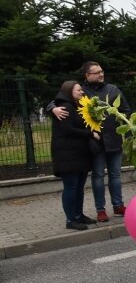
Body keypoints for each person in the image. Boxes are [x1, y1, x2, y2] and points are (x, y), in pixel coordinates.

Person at [50, 62, 130, 222]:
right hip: (95, 143)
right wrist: (51, 108)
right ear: (87, 75)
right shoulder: (81, 91)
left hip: (113, 139)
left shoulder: (113, 89)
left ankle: (118, 205)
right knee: (98, 176)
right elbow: (59, 100)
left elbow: (126, 110)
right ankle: (100, 210)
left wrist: (119, 122)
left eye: (102, 71)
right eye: (96, 72)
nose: (101, 74)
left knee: (115, 175)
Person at [50, 80, 99, 231]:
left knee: (78, 187)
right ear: (69, 91)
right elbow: (67, 130)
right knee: (71, 187)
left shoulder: (76, 106)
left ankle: (78, 215)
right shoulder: (65, 107)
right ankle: (71, 219)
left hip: (78, 154)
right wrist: (90, 134)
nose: (81, 92)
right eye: (78, 90)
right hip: (67, 154)